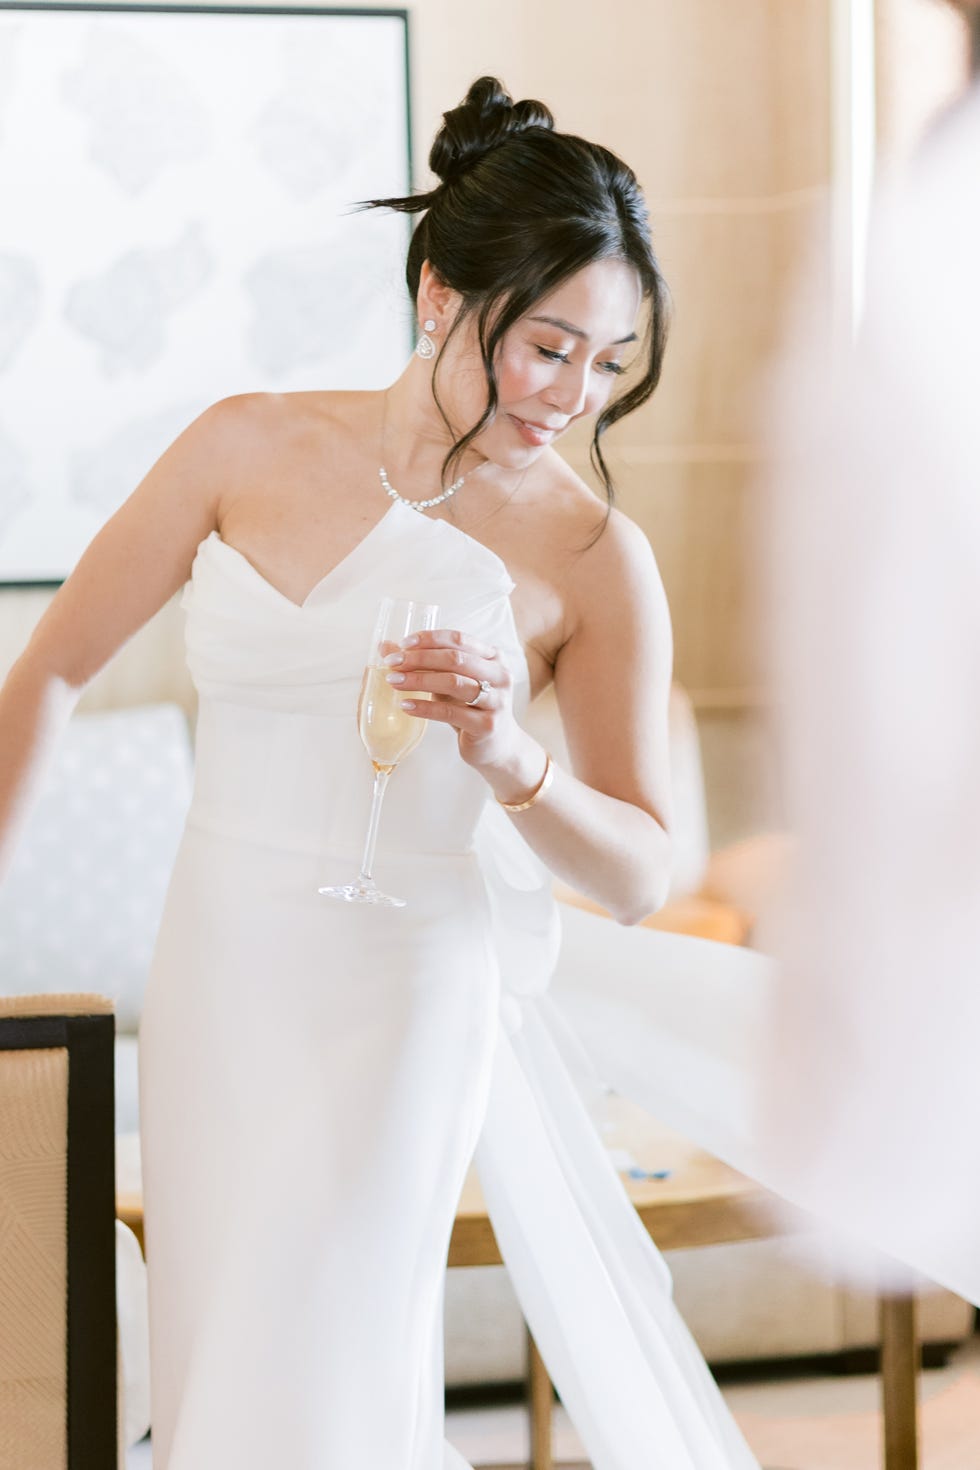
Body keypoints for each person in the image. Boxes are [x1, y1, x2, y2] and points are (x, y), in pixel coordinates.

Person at [0, 77, 763, 1469]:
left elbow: (646, 871)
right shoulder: (244, 443)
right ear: (436, 294)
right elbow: (46, 670)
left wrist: (510, 756)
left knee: (337, 1354)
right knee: (224, 1356)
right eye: (547, 346)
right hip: (219, 969)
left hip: (410, 989)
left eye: (608, 361)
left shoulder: (595, 559)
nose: (574, 396)